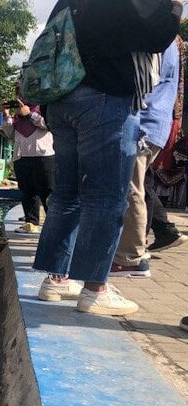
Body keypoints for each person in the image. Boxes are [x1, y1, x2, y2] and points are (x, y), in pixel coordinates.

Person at [33, 0, 182, 316]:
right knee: (106, 197)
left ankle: (57, 279)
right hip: (105, 98)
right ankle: (95, 289)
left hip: (61, 100)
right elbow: (154, 36)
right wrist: (175, 5)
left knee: (67, 194)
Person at [110, 40, 181, 278]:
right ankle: (129, 253)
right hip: (152, 121)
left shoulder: (158, 33)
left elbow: (145, 79)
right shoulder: (166, 35)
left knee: (131, 187)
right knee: (133, 186)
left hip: (144, 121)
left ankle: (130, 257)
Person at [2, 98, 55, 234]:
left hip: (43, 156)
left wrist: (30, 114)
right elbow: (9, 133)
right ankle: (31, 222)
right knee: (27, 192)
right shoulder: (17, 115)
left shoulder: (44, 107)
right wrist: (7, 115)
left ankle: (54, 224)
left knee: (47, 191)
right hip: (21, 156)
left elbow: (49, 124)